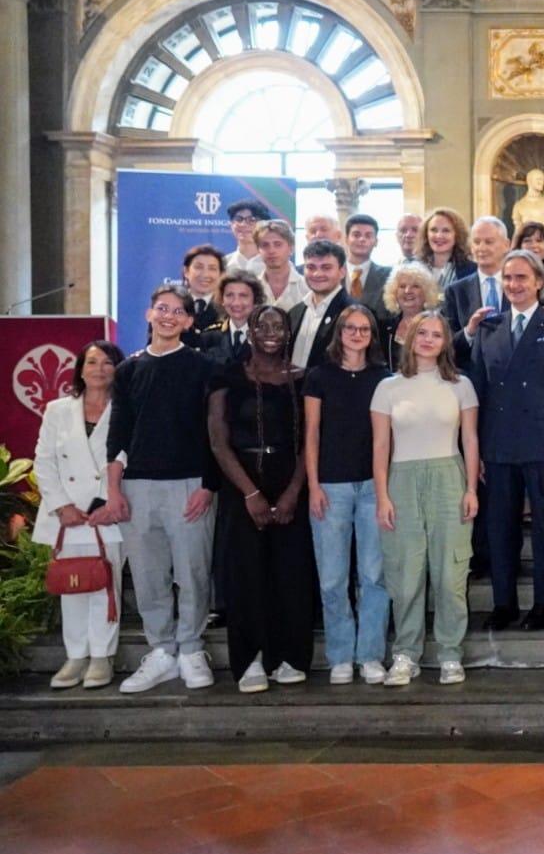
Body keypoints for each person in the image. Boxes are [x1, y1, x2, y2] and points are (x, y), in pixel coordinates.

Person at [106, 283, 218, 694]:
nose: (168, 316)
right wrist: (114, 488)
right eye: (161, 308)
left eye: (178, 311)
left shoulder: (203, 367)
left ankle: (190, 648)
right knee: (150, 576)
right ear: (150, 314)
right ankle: (162, 651)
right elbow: (118, 432)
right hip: (138, 486)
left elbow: (213, 432)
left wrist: (208, 485)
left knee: (192, 572)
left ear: (189, 321)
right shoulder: (128, 370)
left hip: (189, 484)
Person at [470, 250, 544, 632]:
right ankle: (504, 603)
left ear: (538, 282)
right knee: (499, 526)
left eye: (521, 278)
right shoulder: (489, 328)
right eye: (508, 278)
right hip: (498, 444)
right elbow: (477, 393)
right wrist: (479, 451)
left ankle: (543, 604)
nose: (514, 285)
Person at [207, 305, 316, 693]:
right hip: (242, 483)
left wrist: (291, 493)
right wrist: (250, 493)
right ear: (249, 331)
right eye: (262, 325)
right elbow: (219, 441)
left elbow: (309, 442)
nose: (271, 331)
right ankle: (250, 659)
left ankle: (289, 656)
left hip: (291, 481)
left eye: (279, 325)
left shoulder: (303, 379)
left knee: (291, 574)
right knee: (246, 574)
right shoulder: (227, 376)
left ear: (289, 333)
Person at [372, 311, 480, 686]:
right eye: (423, 333)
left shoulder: (461, 385)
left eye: (437, 334)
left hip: (448, 477)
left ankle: (451, 654)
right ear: (410, 338)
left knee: (450, 573)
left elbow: (470, 440)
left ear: (445, 342)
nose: (429, 340)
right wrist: (382, 495)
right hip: (402, 479)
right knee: (406, 574)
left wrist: (470, 489)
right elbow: (381, 444)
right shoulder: (388, 387)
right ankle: (406, 654)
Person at [304, 304, 391, 687]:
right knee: (332, 578)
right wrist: (313, 485)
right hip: (331, 486)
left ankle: (370, 654)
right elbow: (311, 435)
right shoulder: (319, 377)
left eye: (364, 329)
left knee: (374, 576)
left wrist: (386, 490)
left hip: (374, 487)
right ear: (338, 333)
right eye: (350, 328)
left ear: (372, 335)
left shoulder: (383, 379)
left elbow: (387, 439)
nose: (357, 334)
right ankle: (341, 655)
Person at [34, 340, 127, 691]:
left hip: (106, 511)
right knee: (71, 585)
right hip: (67, 515)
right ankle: (75, 655)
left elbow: (126, 455)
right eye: (91, 362)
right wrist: (62, 505)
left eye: (107, 362)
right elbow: (44, 460)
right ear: (80, 368)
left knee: (105, 585)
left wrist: (106, 502)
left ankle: (102, 656)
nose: (99, 369)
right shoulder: (58, 409)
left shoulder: (125, 407)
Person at [442, 216, 512, 343]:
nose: (482, 248)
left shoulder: (520, 286)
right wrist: (469, 331)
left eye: (489, 242)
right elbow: (447, 343)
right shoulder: (455, 291)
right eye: (476, 242)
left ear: (506, 245)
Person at [288, 239, 352, 372]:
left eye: (326, 267)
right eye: (311, 267)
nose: (317, 274)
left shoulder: (353, 313)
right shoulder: (295, 312)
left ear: (342, 272)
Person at [379, 261, 441, 370]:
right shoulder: (384, 327)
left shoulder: (438, 325)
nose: (408, 291)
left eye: (415, 286)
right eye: (402, 286)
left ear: (427, 292)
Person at [343, 213, 391, 320]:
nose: (362, 239)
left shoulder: (388, 277)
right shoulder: (334, 274)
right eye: (356, 235)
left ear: (376, 242)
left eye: (368, 235)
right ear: (346, 240)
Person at [254, 218, 308, 310]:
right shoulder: (251, 287)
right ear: (258, 250)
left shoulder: (307, 287)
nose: (271, 251)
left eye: (278, 244)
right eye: (265, 245)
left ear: (291, 248)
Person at [418, 206, 475, 287]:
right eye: (433, 230)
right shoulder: (415, 268)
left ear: (457, 235)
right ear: (426, 234)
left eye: (446, 231)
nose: (439, 236)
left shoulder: (471, 271)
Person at [180, 244, 226, 337]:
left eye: (212, 269)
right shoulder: (172, 304)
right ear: (186, 271)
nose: (205, 274)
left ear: (221, 275)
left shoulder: (228, 307)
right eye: (199, 267)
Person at [224, 198, 270, 274]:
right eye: (238, 219)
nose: (243, 224)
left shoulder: (276, 264)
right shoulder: (223, 265)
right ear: (231, 225)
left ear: (263, 224)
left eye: (252, 219)